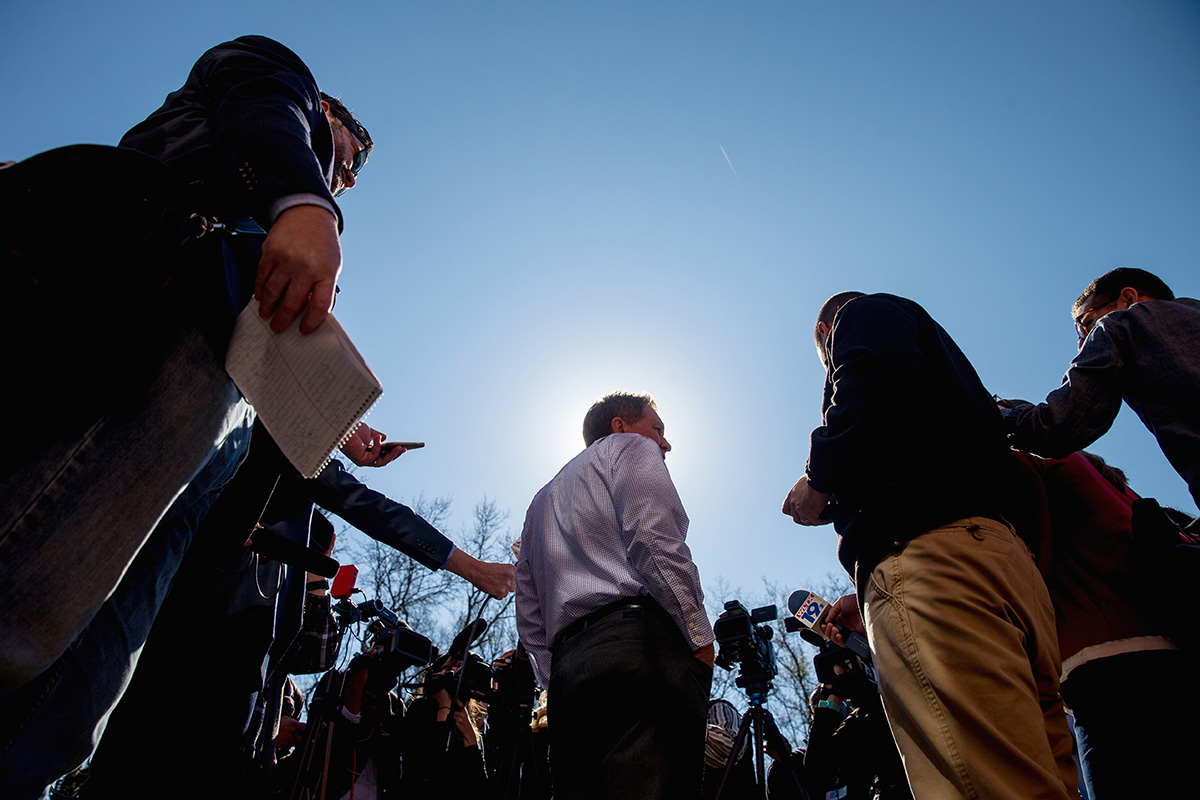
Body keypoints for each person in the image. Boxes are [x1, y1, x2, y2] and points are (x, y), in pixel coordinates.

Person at [0, 35, 371, 799]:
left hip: (217, 432)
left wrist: (332, 420)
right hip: (150, 327)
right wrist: (306, 202)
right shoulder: (276, 81)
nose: (347, 178)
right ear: (326, 111)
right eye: (348, 156)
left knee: (80, 694)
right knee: (24, 600)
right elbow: (266, 104)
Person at [782, 292, 1077, 800]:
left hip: (930, 566)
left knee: (978, 783)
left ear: (827, 334)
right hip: (1006, 569)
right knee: (1043, 780)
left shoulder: (861, 315)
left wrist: (818, 480)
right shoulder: (957, 395)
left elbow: (871, 389)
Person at [515, 392, 714, 800]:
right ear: (620, 426)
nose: (665, 443)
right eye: (657, 429)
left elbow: (529, 613)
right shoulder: (629, 448)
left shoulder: (539, 502)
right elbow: (653, 538)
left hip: (570, 675)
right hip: (640, 651)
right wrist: (699, 638)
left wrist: (558, 676)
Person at [1002, 267, 1200, 511]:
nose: (1081, 343)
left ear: (1128, 298)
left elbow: (1059, 427)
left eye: (1085, 325)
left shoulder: (1121, 323)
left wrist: (999, 412)